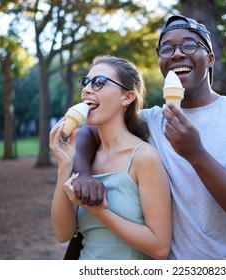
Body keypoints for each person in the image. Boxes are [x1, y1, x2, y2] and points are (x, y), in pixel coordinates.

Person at [72, 15, 226, 260]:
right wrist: (83, 174)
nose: (176, 54)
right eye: (167, 48)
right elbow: (90, 131)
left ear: (210, 59)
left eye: (189, 45)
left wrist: (196, 155)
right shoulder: (151, 121)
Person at [49, 55, 172, 260]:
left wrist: (97, 211)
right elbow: (63, 234)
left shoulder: (144, 157)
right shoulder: (86, 159)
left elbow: (160, 248)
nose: (87, 89)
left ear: (127, 97)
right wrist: (64, 167)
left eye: (99, 82)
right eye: (85, 82)